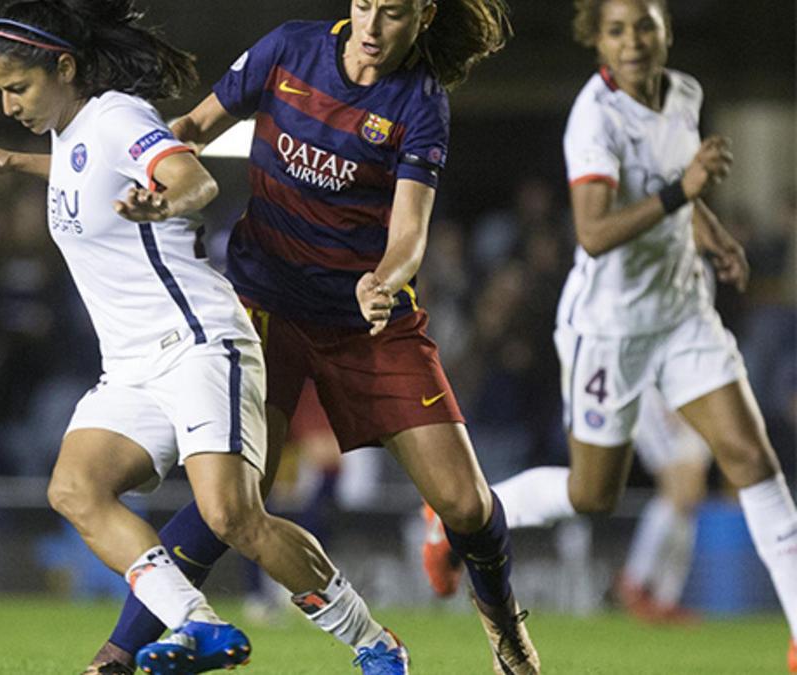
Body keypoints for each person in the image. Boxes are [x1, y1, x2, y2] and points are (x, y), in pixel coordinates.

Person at [0, 1, 408, 673]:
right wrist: (13, 159)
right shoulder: (71, 131)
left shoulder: (118, 116)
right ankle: (196, 622)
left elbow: (194, 176)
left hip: (197, 343)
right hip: (130, 369)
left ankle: (374, 641)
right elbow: (81, 171)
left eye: (18, 89)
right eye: (0, 93)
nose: (8, 105)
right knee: (74, 486)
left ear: (64, 67)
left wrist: (164, 198)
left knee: (233, 517)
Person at [81, 1, 541, 674]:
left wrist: (382, 280)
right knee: (231, 501)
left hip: (366, 322)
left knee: (466, 502)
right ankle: (120, 652)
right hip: (263, 308)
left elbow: (410, 231)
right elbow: (192, 129)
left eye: (392, 14)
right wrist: (147, 179)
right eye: (363, 7)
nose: (371, 28)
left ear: (424, 15)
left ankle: (505, 630)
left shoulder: (419, 101)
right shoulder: (289, 51)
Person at [419, 1, 797, 669]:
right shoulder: (594, 117)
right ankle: (463, 514)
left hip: (683, 315)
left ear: (666, 31)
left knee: (754, 461)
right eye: (617, 29)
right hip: (610, 329)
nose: (634, 41)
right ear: (596, 39)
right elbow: (594, 231)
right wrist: (686, 192)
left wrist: (712, 235)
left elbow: (676, 186)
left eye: (645, 25)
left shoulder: (685, 93)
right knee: (593, 494)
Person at [615, 385, 709, 624]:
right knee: (675, 491)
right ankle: (636, 580)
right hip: (663, 392)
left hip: (701, 392)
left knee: (689, 500)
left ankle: (665, 599)